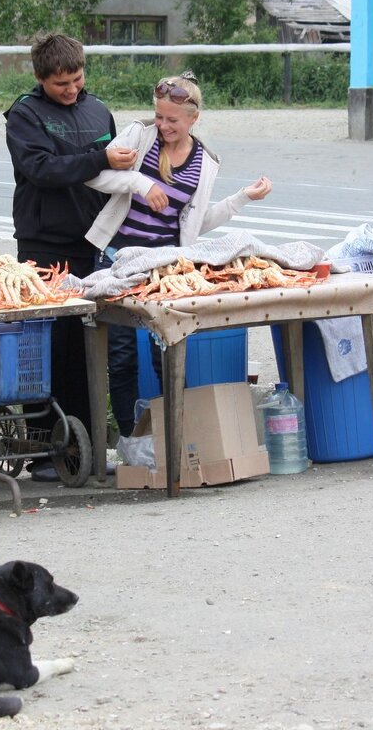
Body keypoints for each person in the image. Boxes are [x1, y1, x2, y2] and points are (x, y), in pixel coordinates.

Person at [83, 72, 273, 463]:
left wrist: (241, 199)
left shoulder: (205, 162)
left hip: (164, 267)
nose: (164, 126)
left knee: (167, 350)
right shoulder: (140, 135)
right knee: (120, 354)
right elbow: (95, 175)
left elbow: (195, 221)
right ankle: (128, 441)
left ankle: (169, 435)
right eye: (160, 117)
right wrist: (139, 183)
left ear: (193, 119)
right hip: (119, 257)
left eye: (172, 120)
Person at [4, 33, 135, 481]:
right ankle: (43, 450)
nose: (71, 90)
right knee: (46, 348)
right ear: (41, 79)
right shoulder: (24, 115)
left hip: (94, 243)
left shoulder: (98, 109)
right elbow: (40, 169)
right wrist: (99, 158)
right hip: (44, 244)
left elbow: (120, 175)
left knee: (87, 348)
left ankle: (89, 447)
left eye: (77, 79)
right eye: (61, 84)